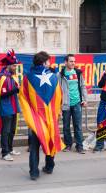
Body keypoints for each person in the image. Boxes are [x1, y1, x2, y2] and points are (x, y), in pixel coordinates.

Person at [18, 51, 64, 180]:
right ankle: (49, 166)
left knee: (34, 146)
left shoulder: (28, 77)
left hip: (35, 119)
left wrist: (29, 112)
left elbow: (23, 96)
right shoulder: (54, 77)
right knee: (51, 139)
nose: (50, 63)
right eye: (48, 61)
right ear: (44, 63)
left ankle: (34, 172)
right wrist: (56, 111)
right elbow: (59, 95)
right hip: (49, 117)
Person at [0, 50, 21, 161]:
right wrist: (15, 90)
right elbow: (2, 95)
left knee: (12, 130)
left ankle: (10, 148)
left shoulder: (13, 77)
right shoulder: (2, 78)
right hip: (5, 107)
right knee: (5, 130)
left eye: (15, 65)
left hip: (14, 106)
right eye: (13, 65)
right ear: (8, 66)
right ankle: (4, 152)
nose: (15, 67)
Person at [58, 54, 87, 154]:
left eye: (74, 61)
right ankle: (68, 144)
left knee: (78, 126)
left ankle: (79, 146)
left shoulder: (78, 73)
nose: (73, 63)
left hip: (77, 103)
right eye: (71, 61)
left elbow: (83, 86)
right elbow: (58, 91)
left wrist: (85, 99)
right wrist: (59, 106)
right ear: (65, 62)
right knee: (66, 126)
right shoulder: (60, 74)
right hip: (66, 104)